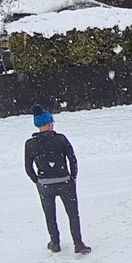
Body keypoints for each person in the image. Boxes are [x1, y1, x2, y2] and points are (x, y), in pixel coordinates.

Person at [24, 105, 88, 254]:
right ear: (48, 124)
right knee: (73, 213)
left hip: (45, 185)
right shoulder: (60, 139)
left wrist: (38, 181)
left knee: (50, 215)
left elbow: (28, 168)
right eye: (51, 122)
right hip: (65, 182)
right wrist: (72, 178)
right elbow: (72, 159)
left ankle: (55, 243)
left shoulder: (30, 144)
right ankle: (78, 243)